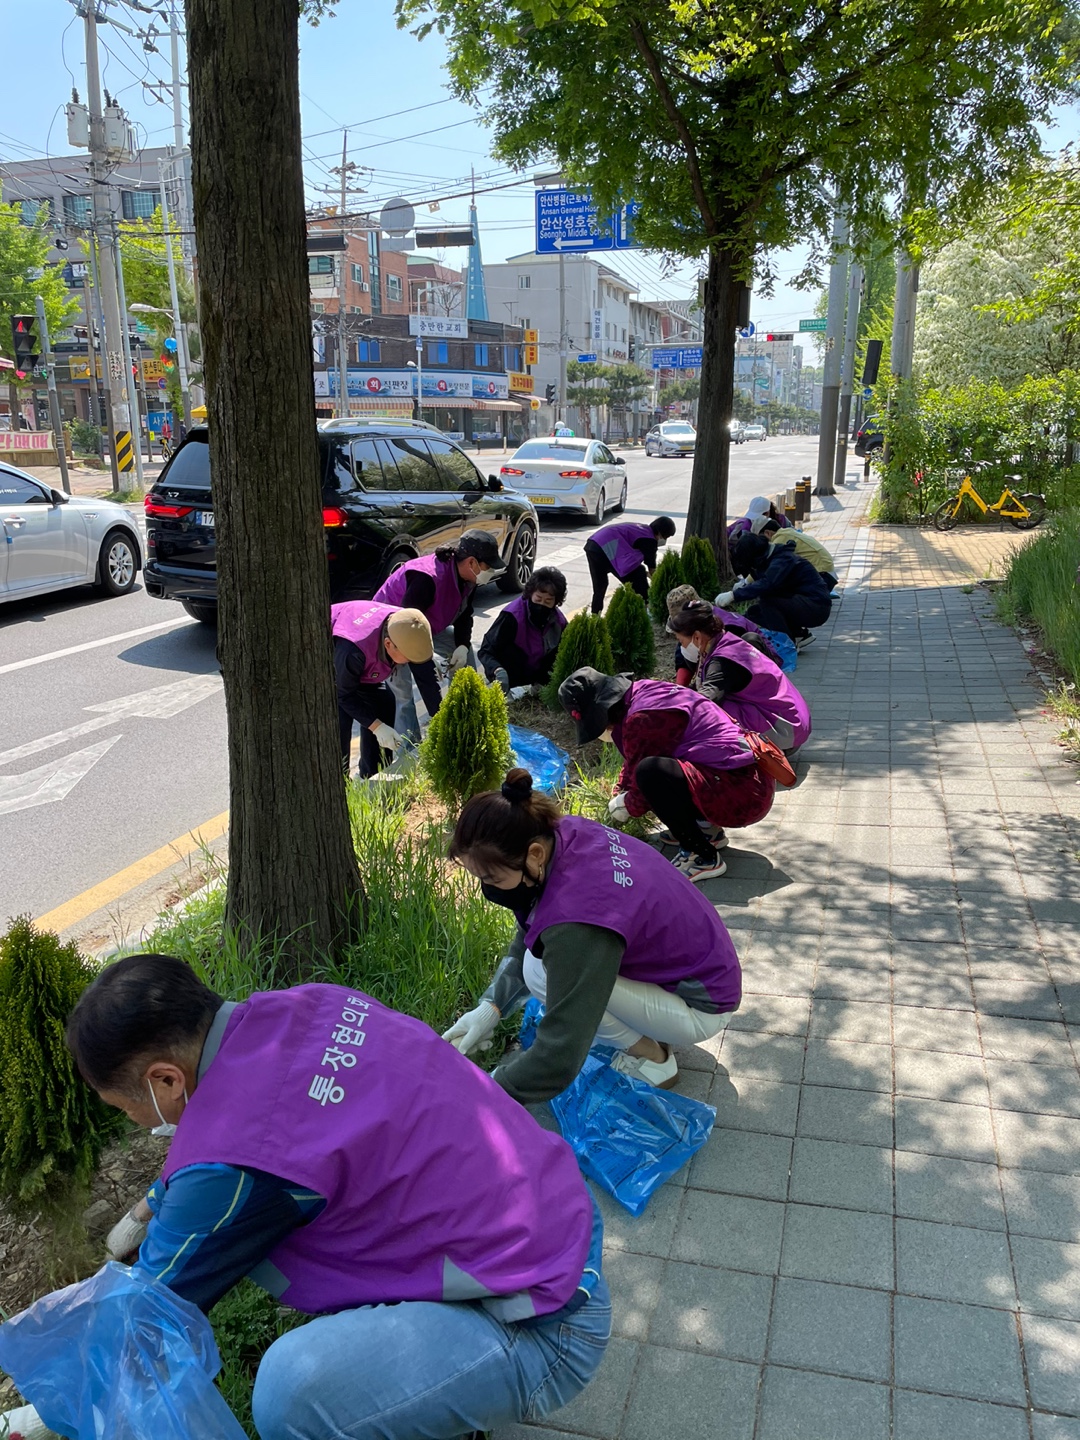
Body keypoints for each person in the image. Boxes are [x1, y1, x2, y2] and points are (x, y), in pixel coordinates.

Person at [50, 954, 610, 1440]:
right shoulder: (311, 1004)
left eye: (127, 1108)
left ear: (167, 1080)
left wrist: (44, 1412)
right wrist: (153, 1202)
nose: (136, 1120)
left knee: (291, 1393)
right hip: (559, 1218)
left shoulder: (232, 1164)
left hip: (548, 1324)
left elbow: (144, 1318)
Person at [445, 770, 741, 1098]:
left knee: (540, 973)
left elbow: (558, 1057)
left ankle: (653, 1059)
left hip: (702, 1004)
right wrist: (491, 1007)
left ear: (534, 856)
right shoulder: (562, 832)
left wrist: (481, 1095)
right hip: (703, 969)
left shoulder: (578, 921)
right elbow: (532, 928)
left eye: (493, 879)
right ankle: (645, 1033)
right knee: (539, 963)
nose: (487, 889)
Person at [559, 667, 776, 883]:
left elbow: (643, 781)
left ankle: (702, 855)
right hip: (743, 779)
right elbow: (637, 755)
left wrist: (625, 806)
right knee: (653, 771)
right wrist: (621, 789)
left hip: (744, 795)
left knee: (651, 774)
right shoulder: (643, 694)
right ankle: (707, 831)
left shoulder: (642, 719)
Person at [374, 529, 504, 741]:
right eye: (487, 566)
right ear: (472, 562)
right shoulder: (426, 579)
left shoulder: (468, 578)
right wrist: (439, 716)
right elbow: (411, 640)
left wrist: (461, 645)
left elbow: (464, 614)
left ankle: (464, 711)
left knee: (463, 650)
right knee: (403, 695)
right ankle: (408, 749)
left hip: (423, 625)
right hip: (391, 632)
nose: (489, 571)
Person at [671, 601, 811, 753]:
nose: (682, 647)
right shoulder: (726, 641)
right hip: (793, 721)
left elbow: (704, 700)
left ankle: (744, 759)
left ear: (697, 637)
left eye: (681, 641)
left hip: (787, 733)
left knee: (713, 712)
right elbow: (702, 687)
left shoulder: (722, 661)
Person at [330, 600, 433, 778]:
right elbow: (342, 695)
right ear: (388, 645)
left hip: (364, 661)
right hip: (335, 668)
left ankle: (373, 776)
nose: (409, 663)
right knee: (340, 724)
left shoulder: (404, 622)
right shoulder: (352, 650)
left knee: (384, 702)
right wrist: (377, 727)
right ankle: (339, 784)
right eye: (408, 657)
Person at [721, 532, 833, 644]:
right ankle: (798, 634)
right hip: (804, 602)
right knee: (754, 613)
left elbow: (767, 584)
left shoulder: (782, 559)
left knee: (767, 601)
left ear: (756, 555)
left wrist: (733, 595)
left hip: (817, 607)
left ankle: (785, 644)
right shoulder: (770, 558)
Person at [663, 582, 784, 684]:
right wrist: (679, 690)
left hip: (756, 670)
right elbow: (683, 656)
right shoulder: (692, 633)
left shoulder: (729, 629)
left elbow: (727, 668)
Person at [479, 566, 568, 696]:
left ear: (556, 602)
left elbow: (562, 655)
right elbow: (486, 650)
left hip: (538, 682)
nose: (542, 604)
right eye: (538, 599)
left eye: (548, 601)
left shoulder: (559, 623)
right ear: (530, 594)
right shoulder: (512, 616)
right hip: (508, 679)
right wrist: (497, 670)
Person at [584, 515, 676, 614]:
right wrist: (662, 586)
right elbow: (652, 570)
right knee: (638, 575)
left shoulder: (642, 529)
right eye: (667, 536)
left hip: (593, 545)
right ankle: (644, 607)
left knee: (600, 586)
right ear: (662, 532)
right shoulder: (649, 540)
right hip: (605, 548)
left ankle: (595, 617)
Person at [753, 514, 839, 589]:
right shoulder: (787, 532)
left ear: (767, 533)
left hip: (822, 576)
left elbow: (766, 565)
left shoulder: (779, 540)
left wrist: (745, 582)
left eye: (761, 538)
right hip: (826, 574)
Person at [726, 495, 792, 543]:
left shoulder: (782, 520)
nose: (754, 520)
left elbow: (793, 533)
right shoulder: (745, 525)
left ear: (767, 513)